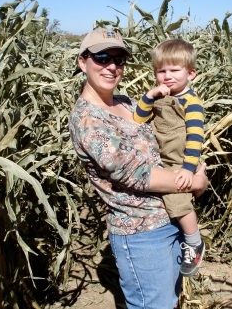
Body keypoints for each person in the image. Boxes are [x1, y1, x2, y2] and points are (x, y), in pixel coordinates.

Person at [68, 28, 208, 309]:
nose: (111, 67)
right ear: (83, 62)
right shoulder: (88, 120)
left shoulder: (125, 102)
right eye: (102, 57)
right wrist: (197, 182)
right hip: (143, 235)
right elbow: (139, 175)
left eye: (119, 60)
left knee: (168, 301)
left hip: (171, 220)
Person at [133, 39, 205, 277]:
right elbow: (137, 119)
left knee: (178, 203)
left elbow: (195, 138)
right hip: (160, 158)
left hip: (180, 162)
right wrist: (149, 95)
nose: (167, 76)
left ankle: (194, 242)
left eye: (174, 70)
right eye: (161, 71)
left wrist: (187, 168)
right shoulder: (157, 97)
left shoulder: (192, 103)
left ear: (191, 73)